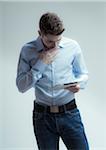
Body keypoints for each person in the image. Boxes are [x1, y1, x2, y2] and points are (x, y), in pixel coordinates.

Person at [16, 12, 89, 150]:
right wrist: (41, 63)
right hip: (42, 118)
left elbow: (83, 74)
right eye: (50, 41)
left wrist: (79, 84)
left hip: (70, 113)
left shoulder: (72, 46)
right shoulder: (27, 50)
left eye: (58, 40)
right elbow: (21, 86)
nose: (55, 46)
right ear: (40, 33)